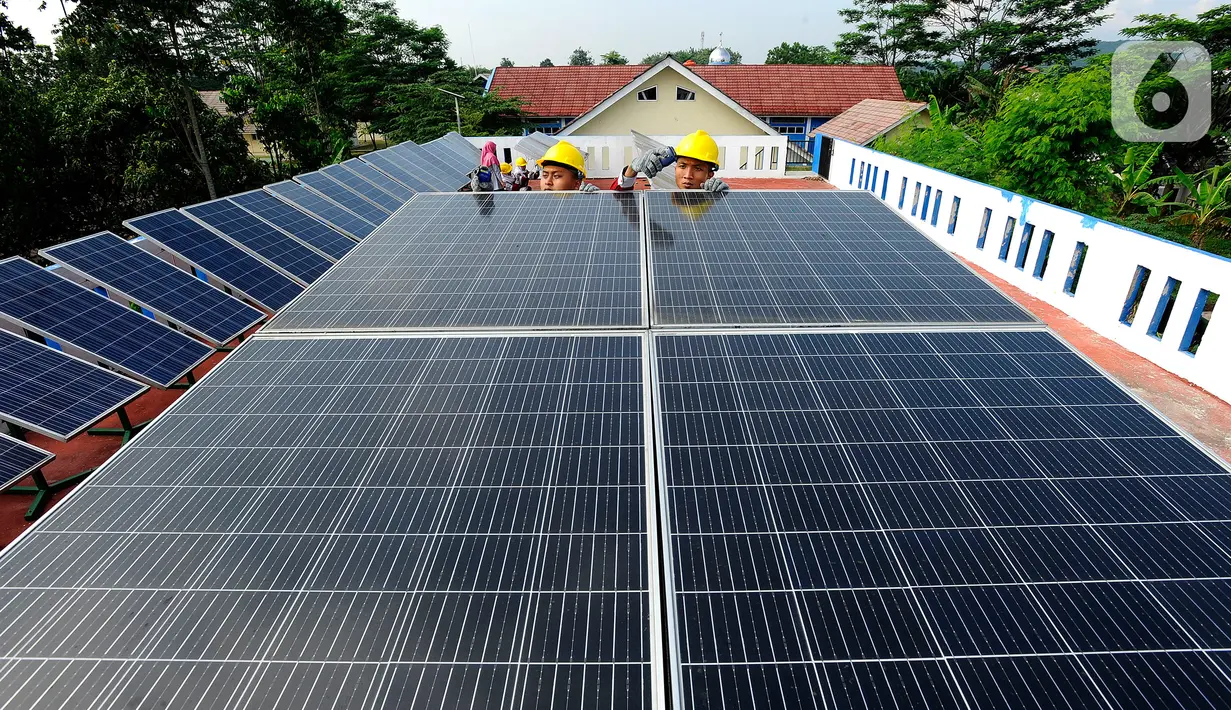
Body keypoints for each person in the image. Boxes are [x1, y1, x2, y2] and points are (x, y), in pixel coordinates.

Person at [611, 130, 729, 192]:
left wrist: (725, 198)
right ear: (676, 166)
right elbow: (618, 203)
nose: (688, 176)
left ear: (710, 175)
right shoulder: (662, 202)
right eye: (683, 166)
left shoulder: (714, 206)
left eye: (698, 168)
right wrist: (631, 169)